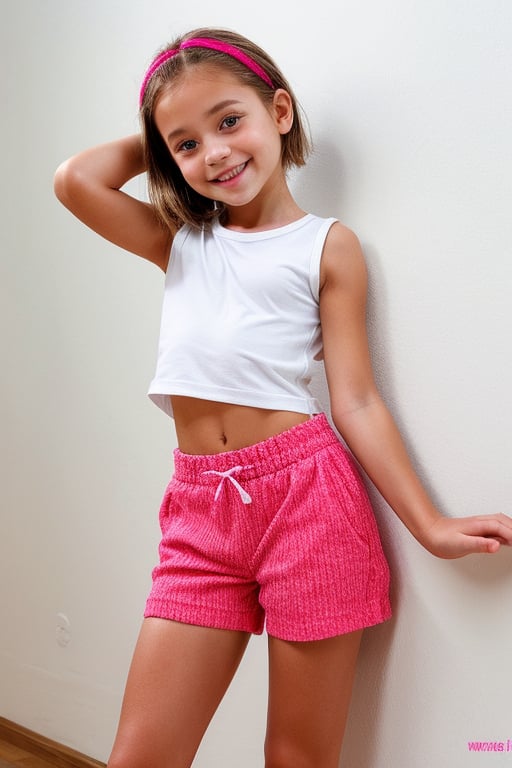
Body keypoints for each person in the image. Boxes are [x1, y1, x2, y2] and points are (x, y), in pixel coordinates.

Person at [53, 27, 512, 768]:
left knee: (297, 757)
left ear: (281, 111)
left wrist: (429, 525)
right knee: (141, 755)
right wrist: (165, 123)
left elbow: (356, 401)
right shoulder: (182, 243)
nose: (216, 153)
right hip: (200, 515)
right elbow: (76, 181)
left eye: (230, 121)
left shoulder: (328, 246)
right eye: (187, 143)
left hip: (309, 505)